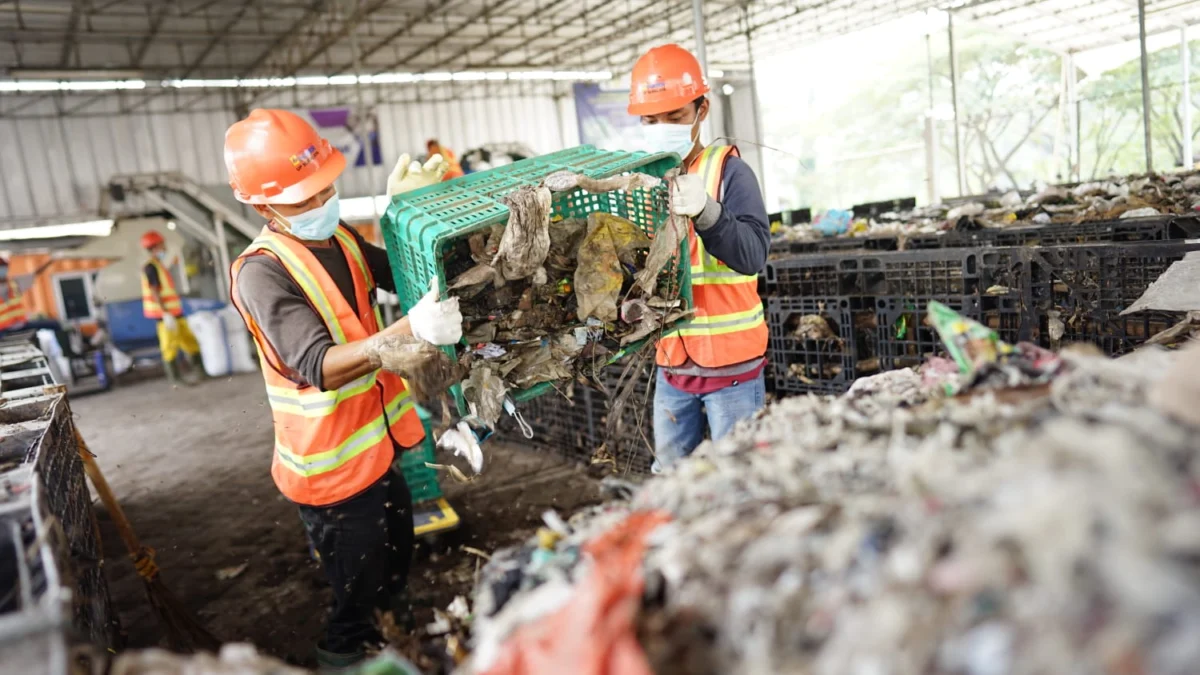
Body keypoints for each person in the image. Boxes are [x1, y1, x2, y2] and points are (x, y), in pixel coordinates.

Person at [224, 109, 460, 667]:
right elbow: (316, 363)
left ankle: (395, 638)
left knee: (397, 554)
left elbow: (400, 271)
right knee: (358, 590)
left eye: (325, 187)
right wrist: (410, 330)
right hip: (329, 466)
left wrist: (411, 213)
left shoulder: (340, 234)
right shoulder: (261, 272)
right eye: (304, 197)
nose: (321, 202)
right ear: (263, 206)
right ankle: (346, 657)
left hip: (376, 445)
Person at [628, 44, 771, 472]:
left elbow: (753, 254)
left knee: (737, 480)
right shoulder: (643, 182)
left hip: (732, 372)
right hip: (673, 366)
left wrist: (708, 212)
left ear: (701, 109)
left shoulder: (729, 171)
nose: (663, 128)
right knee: (672, 480)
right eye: (652, 121)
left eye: (675, 116)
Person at [141, 231, 203, 385]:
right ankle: (175, 379)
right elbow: (155, 291)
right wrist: (165, 313)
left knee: (189, 341)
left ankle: (200, 372)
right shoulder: (151, 267)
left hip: (176, 313)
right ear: (155, 247)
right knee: (169, 347)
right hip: (165, 316)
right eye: (162, 244)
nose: (165, 247)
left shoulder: (159, 265)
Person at [0, 257, 29, 332]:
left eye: (3, 267)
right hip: (3, 328)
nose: (2, 270)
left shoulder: (13, 283)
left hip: (21, 323)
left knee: (54, 324)